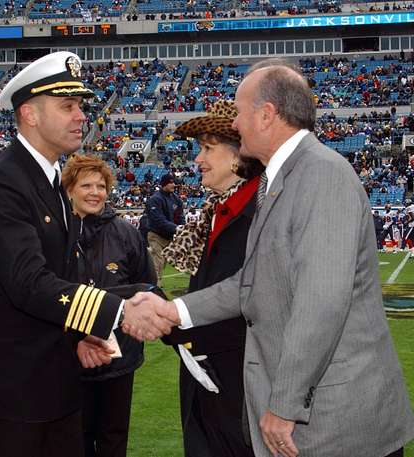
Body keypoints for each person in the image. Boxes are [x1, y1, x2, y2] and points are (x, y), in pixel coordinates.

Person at [127, 59, 414, 457]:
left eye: (241, 111)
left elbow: (322, 302)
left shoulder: (321, 175)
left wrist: (284, 404)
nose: (237, 123)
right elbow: (253, 281)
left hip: (334, 422)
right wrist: (175, 312)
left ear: (266, 115)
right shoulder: (280, 181)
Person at [0, 51, 173, 457]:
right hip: (20, 392)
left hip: (59, 378)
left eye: (80, 106)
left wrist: (77, 339)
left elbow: (61, 280)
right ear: (29, 113)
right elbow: (29, 283)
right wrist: (119, 310)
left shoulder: (50, 183)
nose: (81, 116)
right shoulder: (2, 183)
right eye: (68, 106)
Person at [162, 100, 262, 457]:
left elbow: (249, 300)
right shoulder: (218, 208)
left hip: (236, 380)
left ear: (239, 154)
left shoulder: (259, 212)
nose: (197, 160)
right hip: (210, 372)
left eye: (207, 148)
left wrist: (171, 321)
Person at [62, 154, 157, 457]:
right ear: (69, 189)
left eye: (101, 185)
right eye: (86, 185)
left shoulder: (126, 233)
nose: (95, 192)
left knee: (114, 438)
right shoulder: (56, 234)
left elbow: (147, 287)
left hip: (120, 358)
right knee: (73, 438)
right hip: (69, 357)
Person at [145, 173, 184, 285]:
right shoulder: (155, 199)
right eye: (171, 182)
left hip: (169, 235)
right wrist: (177, 228)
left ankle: (155, 279)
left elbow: (180, 216)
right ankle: (154, 284)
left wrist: (183, 227)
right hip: (156, 234)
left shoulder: (176, 199)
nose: (173, 184)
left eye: (173, 182)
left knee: (164, 261)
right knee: (159, 259)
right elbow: (158, 220)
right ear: (164, 184)